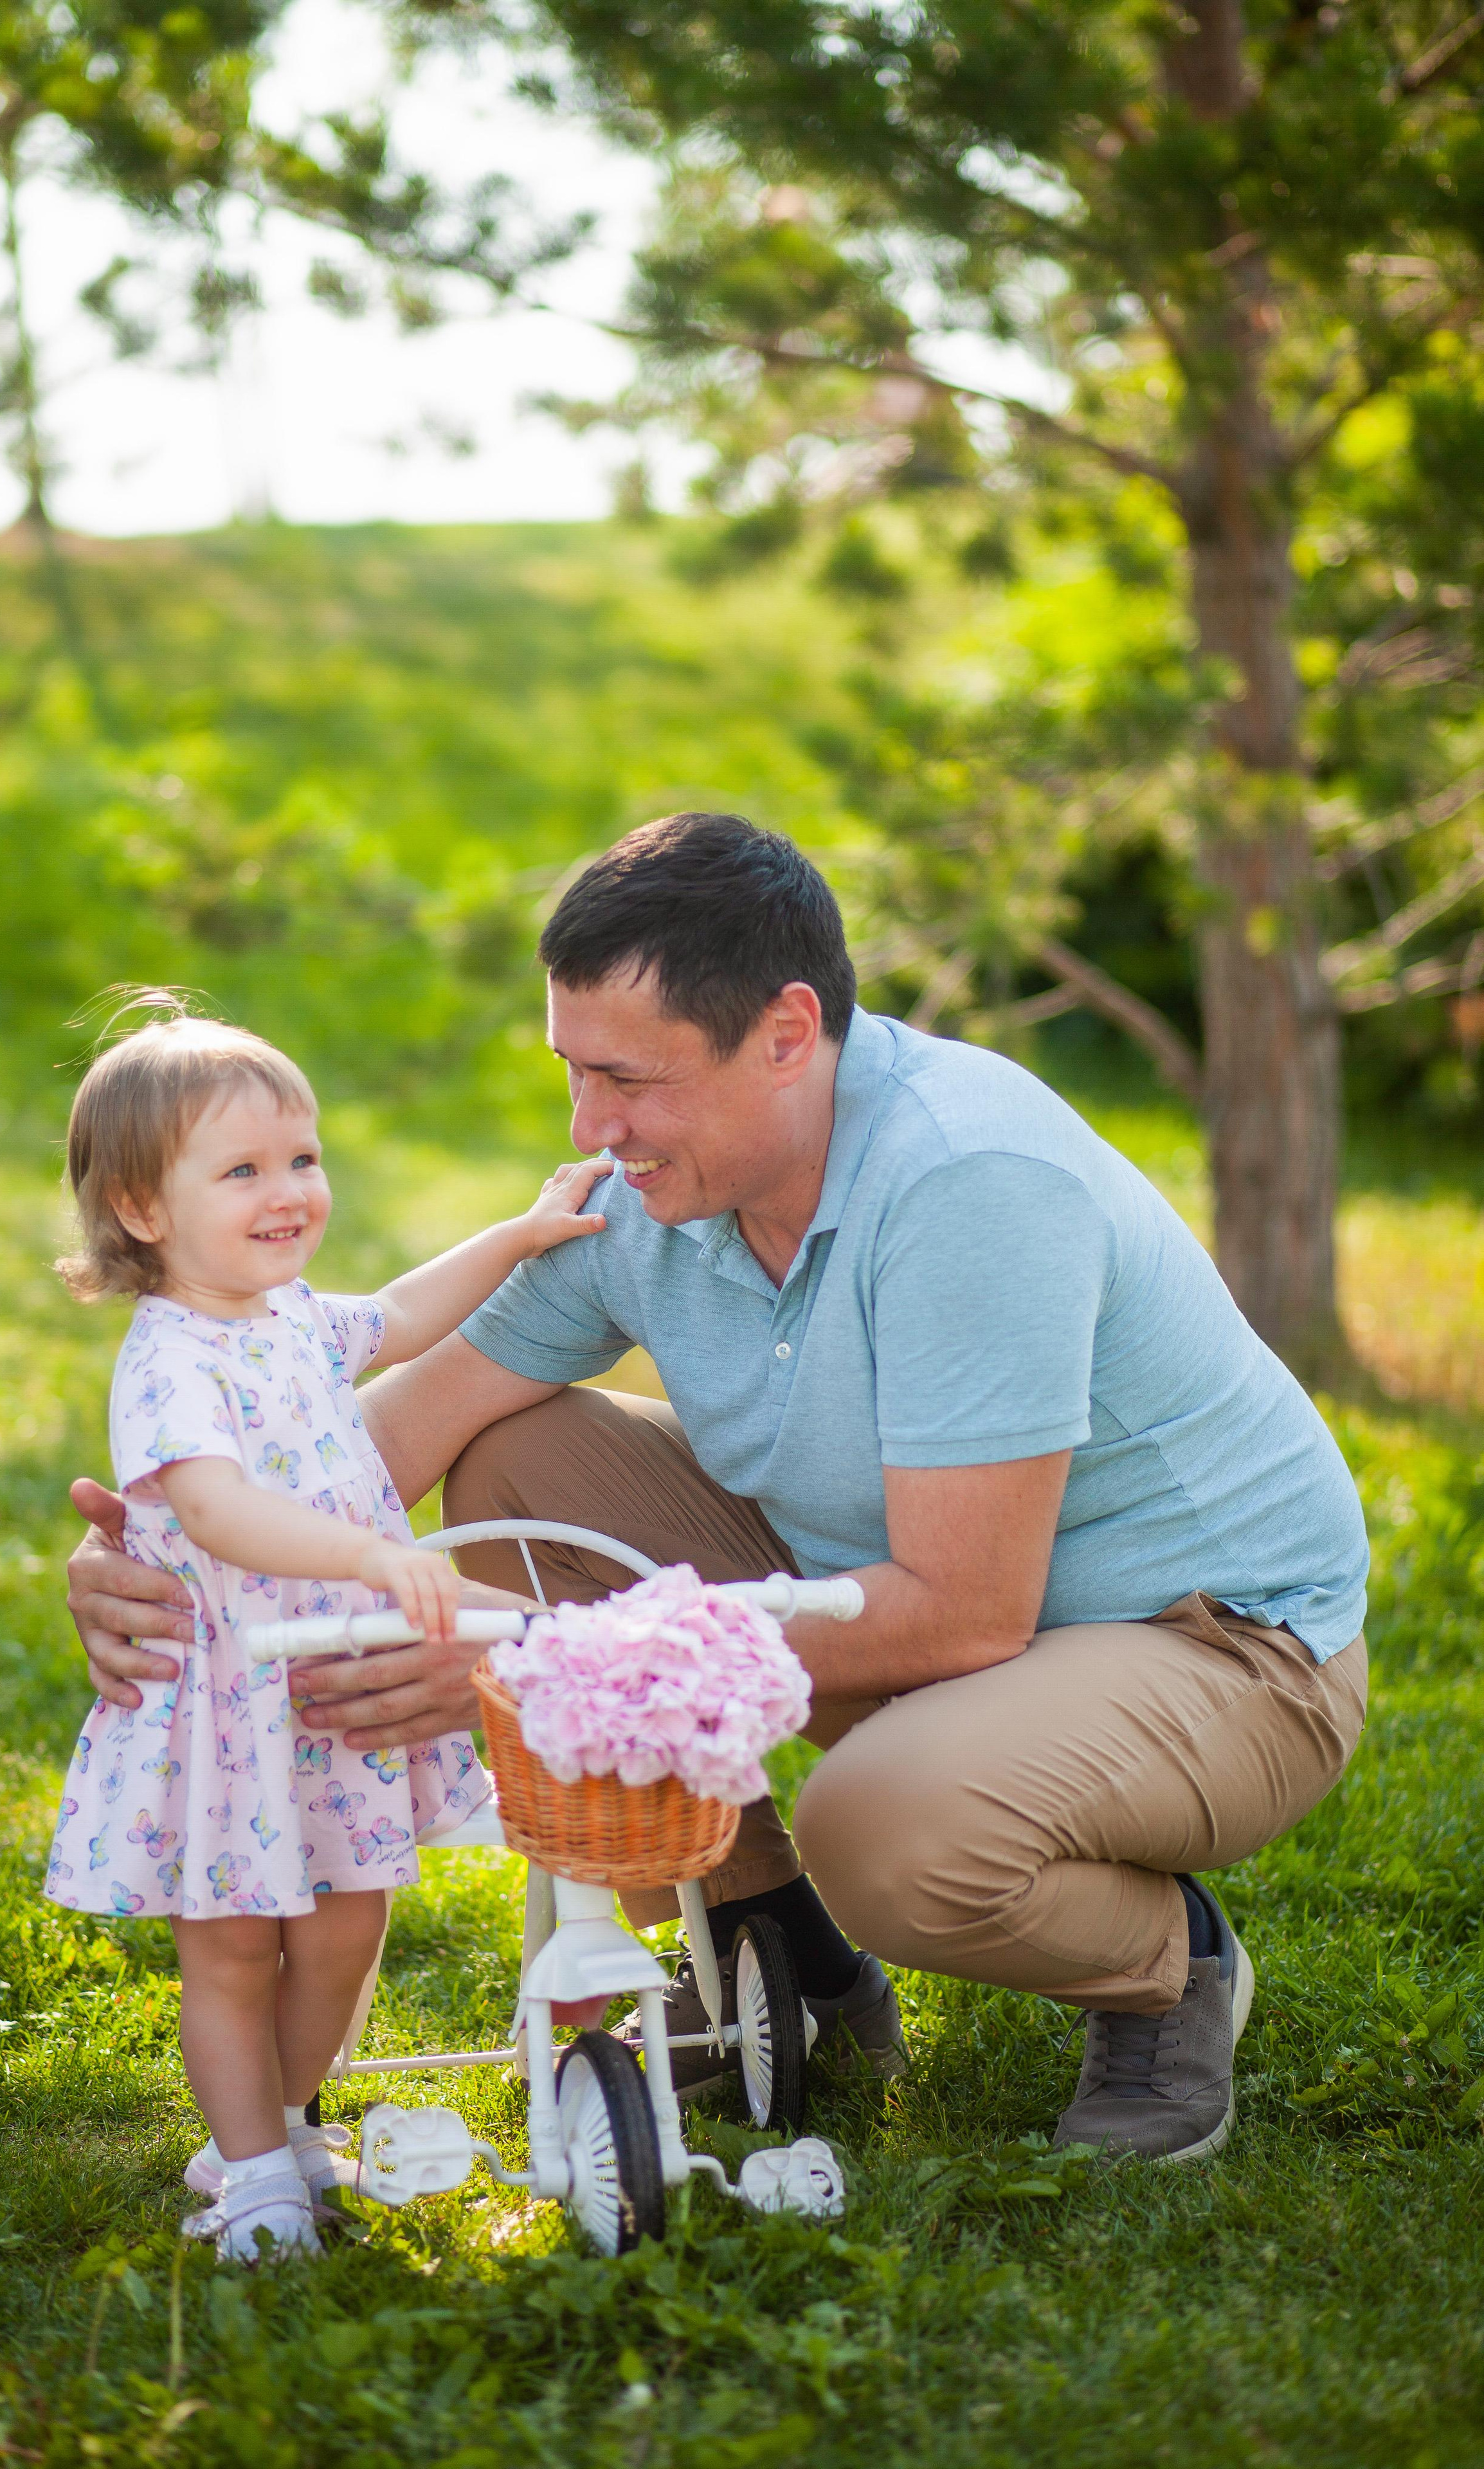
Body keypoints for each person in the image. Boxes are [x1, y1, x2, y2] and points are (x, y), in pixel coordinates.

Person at [68, 815, 1371, 2164]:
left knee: (884, 1828)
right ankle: (780, 1951)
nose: (590, 1128)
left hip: (1209, 1643)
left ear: (787, 1034)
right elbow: (386, 1439)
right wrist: (167, 1570)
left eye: (628, 1080)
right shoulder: (655, 1184)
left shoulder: (966, 1184)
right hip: (902, 1588)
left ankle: (1168, 1965)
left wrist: (540, 1665)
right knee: (522, 1462)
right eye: (574, 1074)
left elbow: (969, 1612)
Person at [46, 997, 605, 2257]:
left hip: (331, 1696)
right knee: (237, 1953)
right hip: (234, 1705)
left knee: (350, 1926)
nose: (288, 1190)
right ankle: (251, 2172)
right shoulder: (169, 1361)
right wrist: (367, 1551)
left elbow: (402, 1315)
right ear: (144, 1210)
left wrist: (519, 1235)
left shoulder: (290, 1316)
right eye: (241, 1170)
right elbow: (218, 1507)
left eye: (300, 1159)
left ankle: (287, 2121)